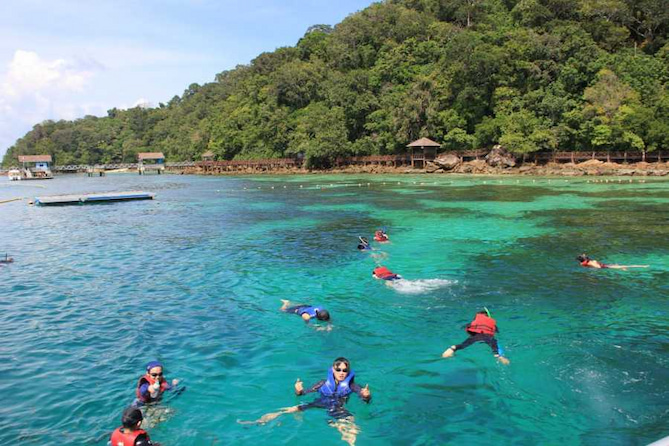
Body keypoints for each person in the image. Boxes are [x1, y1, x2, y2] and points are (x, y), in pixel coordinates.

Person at [239, 358, 371, 445]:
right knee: (289, 409)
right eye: (338, 369)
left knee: (351, 427)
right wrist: (298, 391)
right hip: (319, 403)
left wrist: (366, 396)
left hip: (337, 408)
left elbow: (363, 398)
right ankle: (258, 421)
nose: (341, 373)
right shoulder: (323, 383)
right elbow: (305, 393)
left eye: (344, 370)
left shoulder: (352, 385)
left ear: (348, 372)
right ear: (333, 370)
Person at [442, 309, 510, 365]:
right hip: (488, 337)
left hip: (475, 336)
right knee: (495, 346)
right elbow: (496, 331)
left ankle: (452, 348)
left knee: (463, 345)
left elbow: (466, 327)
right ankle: (498, 356)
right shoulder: (491, 323)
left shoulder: (473, 323)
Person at [576, 254, 648, 271]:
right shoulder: (591, 262)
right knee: (629, 266)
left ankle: (621, 268)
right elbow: (598, 267)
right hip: (606, 266)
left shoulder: (582, 263)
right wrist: (595, 263)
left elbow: (588, 263)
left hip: (605, 265)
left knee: (617, 265)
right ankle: (643, 266)